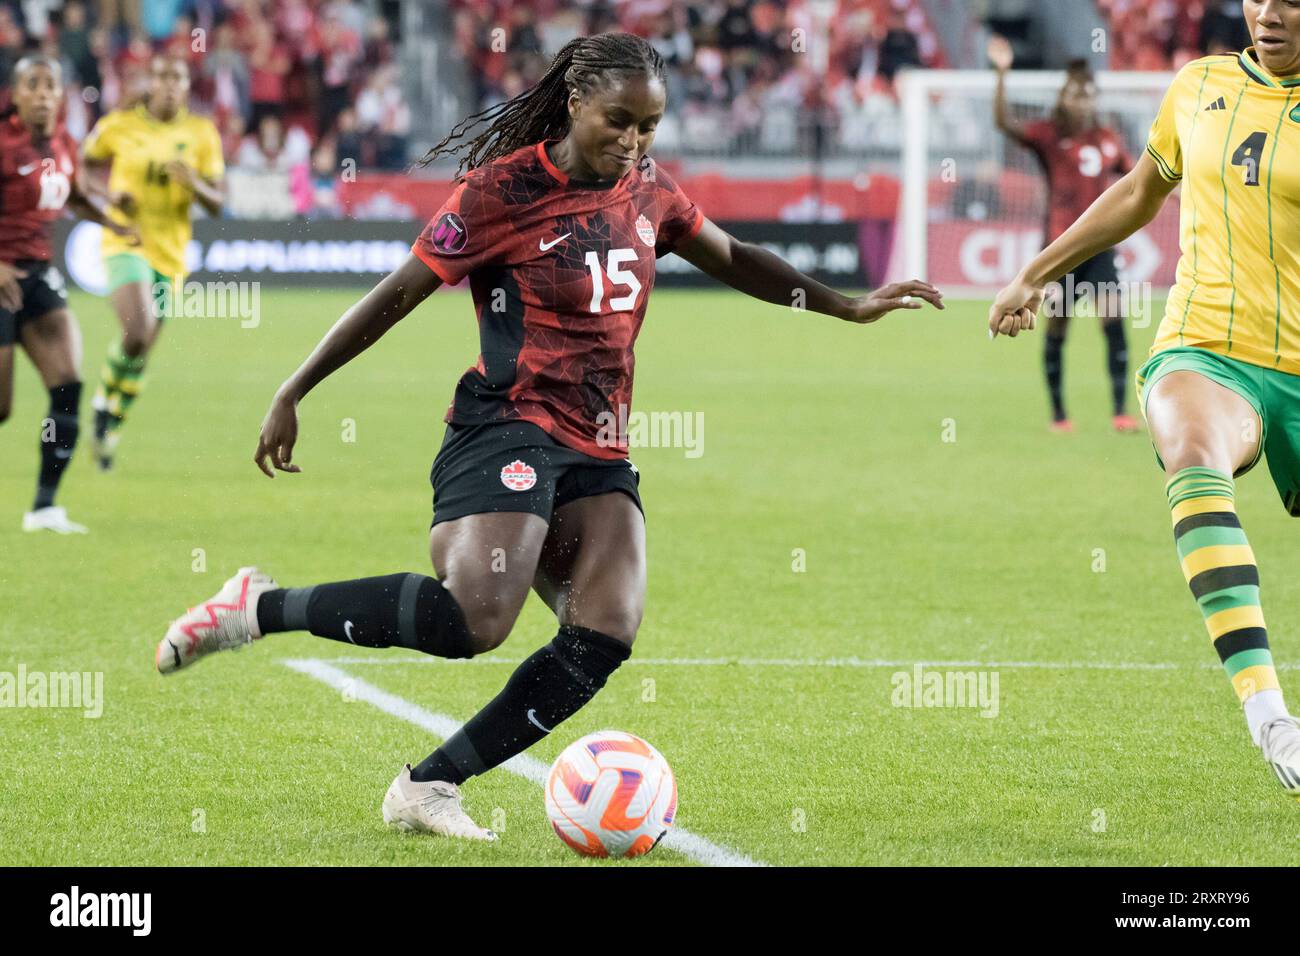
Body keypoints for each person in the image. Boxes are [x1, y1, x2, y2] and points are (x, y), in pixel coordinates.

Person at [154, 32, 943, 839]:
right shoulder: (502, 191)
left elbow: (734, 255)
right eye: (619, 121)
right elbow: (398, 292)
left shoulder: (648, 186)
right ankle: (256, 607)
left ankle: (428, 786)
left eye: (649, 126)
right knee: (474, 620)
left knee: (605, 631)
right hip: (507, 425)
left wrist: (843, 304)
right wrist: (296, 386)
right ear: (574, 101)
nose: (634, 142)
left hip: (598, 442)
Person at [989, 0, 1300, 798]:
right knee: (1193, 455)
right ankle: (1269, 714)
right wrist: (1037, 271)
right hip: (1206, 350)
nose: (1270, 13)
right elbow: (1139, 191)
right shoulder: (1197, 86)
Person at [0, 55, 137, 533]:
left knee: (67, 386)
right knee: (2, 407)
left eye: (51, 86)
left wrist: (113, 218)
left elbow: (75, 195)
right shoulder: (3, 141)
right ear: (15, 94)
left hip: (36, 276)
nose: (42, 94)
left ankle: (44, 507)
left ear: (61, 95)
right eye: (32, 85)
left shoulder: (62, 142)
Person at [80, 54, 224, 470]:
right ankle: (102, 408)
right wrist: (108, 198)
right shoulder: (119, 125)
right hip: (126, 239)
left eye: (177, 77)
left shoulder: (201, 133)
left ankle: (109, 423)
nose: (169, 85)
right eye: (162, 77)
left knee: (141, 350)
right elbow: (83, 169)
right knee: (137, 330)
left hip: (172, 252)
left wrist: (194, 183)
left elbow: (217, 202)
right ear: (150, 83)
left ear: (186, 86)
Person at [989, 36, 1138, 434]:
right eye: (1075, 92)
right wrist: (1002, 74)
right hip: (1059, 251)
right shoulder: (1048, 135)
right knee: (1057, 326)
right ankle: (1058, 415)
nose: (1083, 99)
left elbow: (1142, 180)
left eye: (1088, 92)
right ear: (1064, 97)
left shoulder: (1108, 139)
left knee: (1114, 321)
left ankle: (1120, 412)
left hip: (1101, 248)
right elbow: (1004, 123)